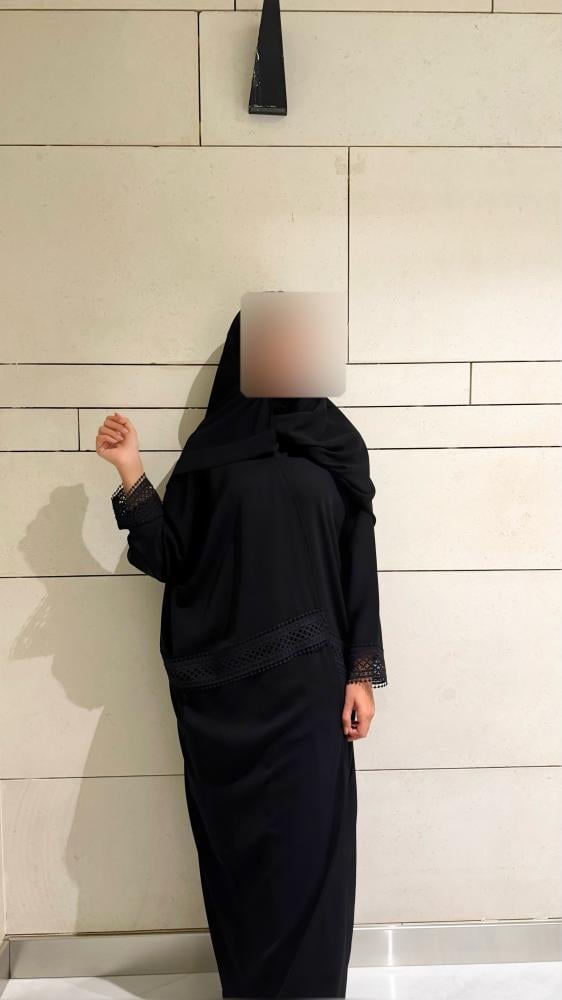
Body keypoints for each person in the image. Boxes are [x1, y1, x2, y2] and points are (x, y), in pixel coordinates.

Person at [96, 308, 388, 999]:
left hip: (312, 693)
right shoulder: (213, 453)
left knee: (312, 851)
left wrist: (362, 671)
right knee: (245, 857)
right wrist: (130, 469)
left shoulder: (339, 450)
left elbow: (358, 564)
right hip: (230, 701)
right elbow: (171, 557)